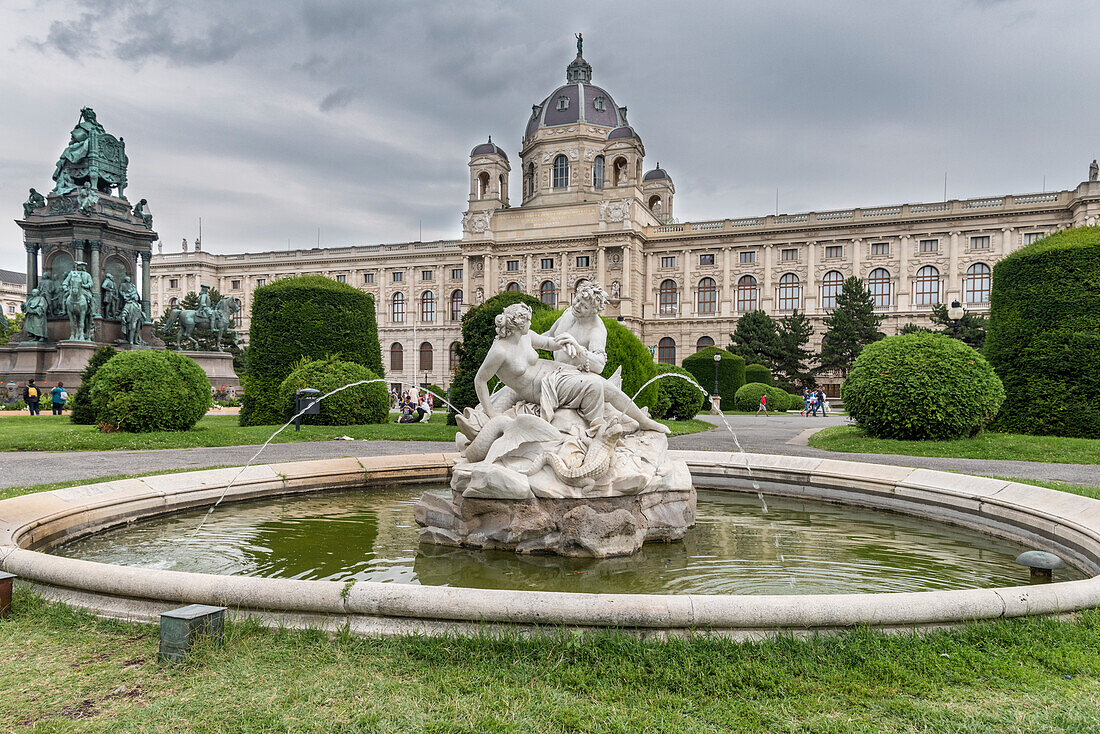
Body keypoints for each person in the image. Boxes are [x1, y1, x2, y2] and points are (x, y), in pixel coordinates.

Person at [474, 303, 669, 433]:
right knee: (594, 385)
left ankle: (643, 421)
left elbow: (548, 343)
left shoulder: (525, 335)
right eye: (528, 320)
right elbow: (480, 380)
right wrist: (491, 413)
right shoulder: (499, 351)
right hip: (542, 387)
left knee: (602, 383)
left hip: (553, 370)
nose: (531, 323)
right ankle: (596, 427)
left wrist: (567, 343)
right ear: (518, 323)